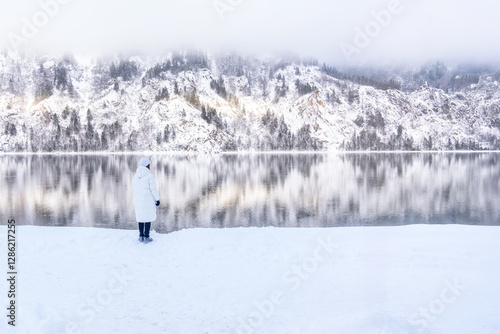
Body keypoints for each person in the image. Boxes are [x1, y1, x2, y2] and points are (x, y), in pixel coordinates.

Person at [133, 157, 160, 243]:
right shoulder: (149, 176)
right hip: (148, 200)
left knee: (141, 217)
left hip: (139, 200)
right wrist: (157, 199)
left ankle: (141, 236)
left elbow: (134, 188)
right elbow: (153, 189)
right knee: (147, 217)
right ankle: (147, 236)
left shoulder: (136, 176)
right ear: (147, 165)